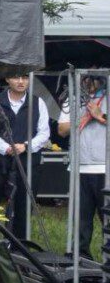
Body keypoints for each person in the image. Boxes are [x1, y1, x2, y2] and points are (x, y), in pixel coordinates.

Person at [0, 72, 49, 241]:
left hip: (28, 162)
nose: (21, 81)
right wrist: (6, 148)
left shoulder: (38, 103)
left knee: (23, 206)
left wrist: (26, 146)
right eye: (16, 77)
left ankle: (18, 247)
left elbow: (44, 133)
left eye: (25, 77)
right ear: (7, 78)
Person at [57, 75, 107, 258]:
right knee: (81, 220)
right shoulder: (73, 98)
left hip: (105, 168)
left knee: (107, 218)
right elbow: (62, 130)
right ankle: (80, 257)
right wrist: (83, 117)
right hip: (79, 167)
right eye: (85, 78)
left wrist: (100, 116)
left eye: (93, 78)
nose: (89, 82)